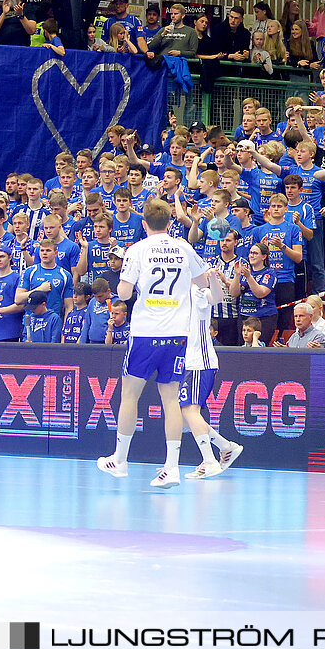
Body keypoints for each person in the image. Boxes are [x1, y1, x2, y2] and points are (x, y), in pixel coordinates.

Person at [96, 201, 216, 489]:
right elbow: (202, 282)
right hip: (178, 334)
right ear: (170, 223)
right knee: (171, 399)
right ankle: (171, 468)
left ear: (144, 224)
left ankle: (120, 460)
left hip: (146, 332)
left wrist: (130, 287)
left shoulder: (137, 249)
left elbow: (123, 293)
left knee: (130, 395)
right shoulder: (184, 247)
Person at [180, 277, 243, 479]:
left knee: (190, 411)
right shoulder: (176, 294)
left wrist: (213, 279)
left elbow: (216, 297)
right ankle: (226, 447)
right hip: (187, 362)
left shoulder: (198, 291)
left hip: (200, 361)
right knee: (184, 417)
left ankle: (210, 461)